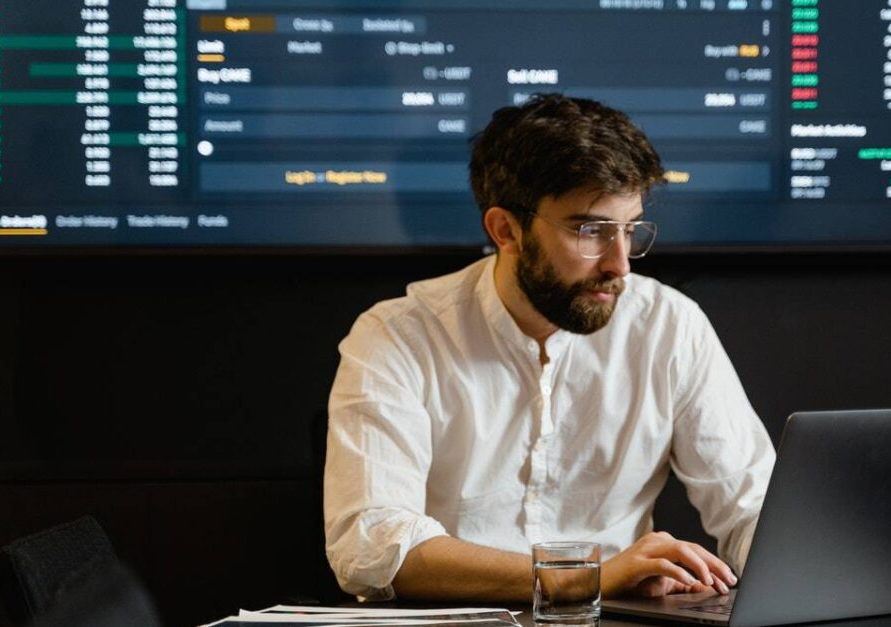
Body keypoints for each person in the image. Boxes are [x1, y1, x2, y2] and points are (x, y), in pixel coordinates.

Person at [324, 94, 776, 602]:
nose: (620, 265)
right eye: (591, 231)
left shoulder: (670, 325)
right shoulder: (397, 335)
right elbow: (371, 544)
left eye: (630, 230)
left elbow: (755, 507)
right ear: (506, 230)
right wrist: (581, 578)